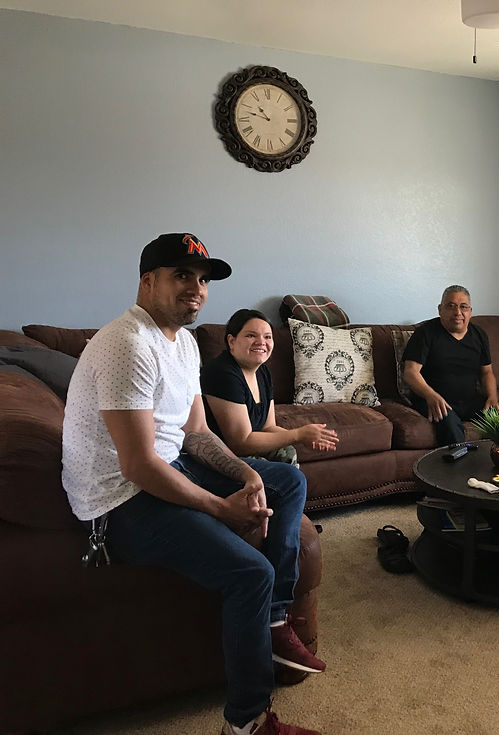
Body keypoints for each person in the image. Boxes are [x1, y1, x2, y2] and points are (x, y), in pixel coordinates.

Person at [61, 233, 324, 735]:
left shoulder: (183, 343)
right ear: (147, 281)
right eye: (182, 275)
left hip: (171, 463)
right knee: (250, 573)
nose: (196, 289)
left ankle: (273, 619)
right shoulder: (125, 344)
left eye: (203, 279)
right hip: (118, 499)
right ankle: (246, 723)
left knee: (287, 479)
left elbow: (197, 432)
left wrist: (247, 472)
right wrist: (221, 509)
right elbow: (138, 465)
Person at [202, 308, 339, 464]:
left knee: (287, 451)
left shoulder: (262, 371)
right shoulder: (222, 373)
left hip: (245, 448)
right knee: (279, 468)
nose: (261, 342)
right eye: (251, 335)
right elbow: (240, 443)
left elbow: (268, 427)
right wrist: (298, 435)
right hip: (219, 454)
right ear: (231, 341)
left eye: (267, 337)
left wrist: (305, 437)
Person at [403, 285, 499, 445]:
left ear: (470, 311)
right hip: (434, 400)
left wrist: (492, 397)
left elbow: (486, 372)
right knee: (452, 429)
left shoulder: (479, 335)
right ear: (440, 309)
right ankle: (460, 462)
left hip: (470, 401)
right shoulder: (425, 333)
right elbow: (410, 372)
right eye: (451, 306)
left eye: (463, 307)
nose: (458, 313)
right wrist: (431, 395)